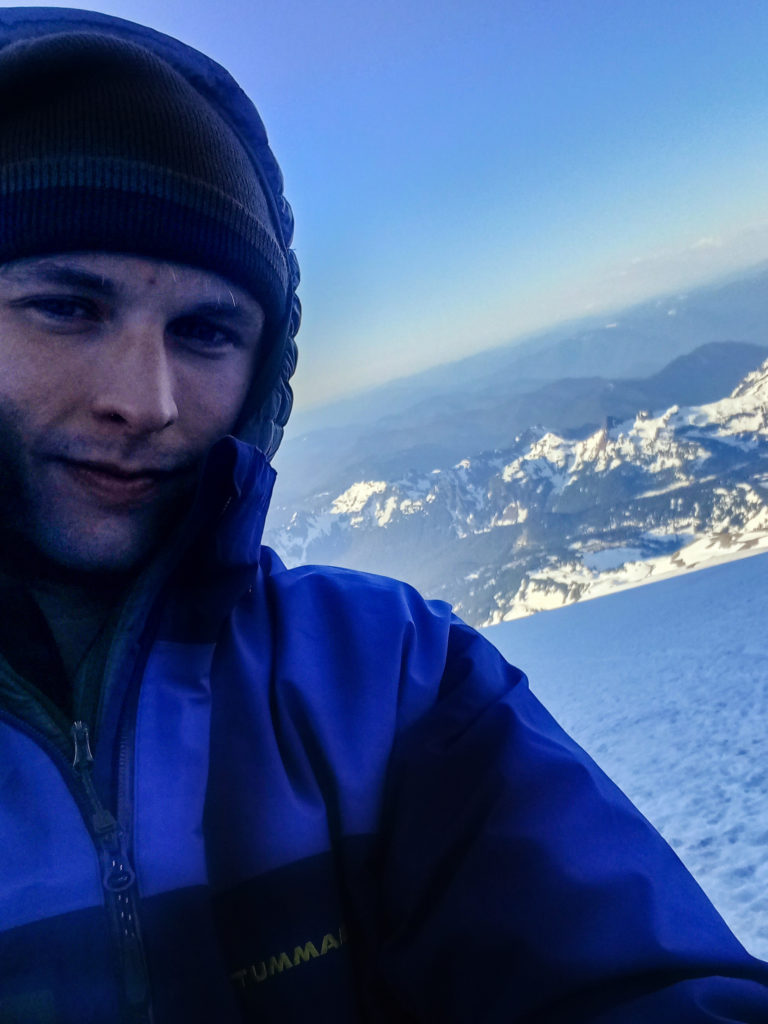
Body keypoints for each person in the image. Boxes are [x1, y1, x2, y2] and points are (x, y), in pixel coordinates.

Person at [0, 7, 766, 1023]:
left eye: (207, 331)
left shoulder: (388, 680)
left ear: (264, 373)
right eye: (69, 306)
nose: (148, 400)